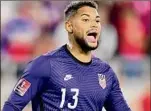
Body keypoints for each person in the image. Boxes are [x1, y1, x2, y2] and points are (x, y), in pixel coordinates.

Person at [2, 1, 131, 111]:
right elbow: (12, 106)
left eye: (97, 21)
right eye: (86, 20)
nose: (94, 25)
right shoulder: (44, 65)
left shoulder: (105, 72)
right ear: (69, 26)